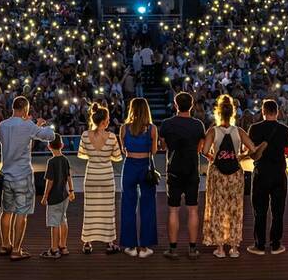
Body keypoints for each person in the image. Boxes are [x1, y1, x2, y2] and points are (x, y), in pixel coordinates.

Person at [0, 95, 55, 261]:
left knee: (6, 212)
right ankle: (16, 250)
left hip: (6, 174)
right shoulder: (28, 125)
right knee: (21, 213)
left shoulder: (3, 125)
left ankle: (5, 245)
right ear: (25, 109)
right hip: (22, 174)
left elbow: (8, 142)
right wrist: (41, 125)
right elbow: (49, 136)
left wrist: (31, 126)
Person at [202, 94, 257, 258]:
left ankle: (219, 248)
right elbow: (253, 149)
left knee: (219, 208)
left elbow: (204, 151)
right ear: (233, 113)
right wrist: (239, 157)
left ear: (218, 113)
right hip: (235, 174)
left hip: (218, 172)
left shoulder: (213, 131)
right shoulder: (238, 131)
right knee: (235, 208)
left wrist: (214, 157)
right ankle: (234, 248)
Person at [158, 92, 206, 258]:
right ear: (191, 105)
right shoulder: (198, 125)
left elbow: (163, 146)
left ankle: (173, 249)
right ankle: (192, 248)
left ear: (175, 105)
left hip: (174, 169)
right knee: (193, 209)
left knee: (173, 210)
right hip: (192, 169)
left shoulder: (166, 124)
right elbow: (201, 147)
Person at [246, 98, 288, 255]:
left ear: (263, 111)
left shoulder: (254, 128)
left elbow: (251, 152)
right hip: (279, 173)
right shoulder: (285, 129)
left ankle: (259, 245)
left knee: (260, 211)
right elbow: (287, 152)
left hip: (261, 172)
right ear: (277, 112)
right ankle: (276, 244)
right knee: (278, 211)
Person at [78, 102, 123, 254]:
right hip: (106, 176)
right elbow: (117, 157)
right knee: (107, 211)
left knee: (90, 210)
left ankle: (87, 242)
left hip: (91, 175)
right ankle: (109, 242)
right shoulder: (111, 137)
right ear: (104, 121)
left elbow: (82, 154)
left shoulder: (85, 135)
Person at [118, 97, 159, 258]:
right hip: (145, 166)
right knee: (148, 205)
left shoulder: (124, 128)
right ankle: (145, 246)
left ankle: (130, 245)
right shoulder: (152, 128)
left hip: (129, 166)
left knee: (128, 205)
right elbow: (154, 151)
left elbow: (123, 150)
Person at [40, 135, 75, 259]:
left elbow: (50, 181)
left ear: (49, 146)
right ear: (62, 145)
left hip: (54, 198)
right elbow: (69, 176)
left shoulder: (51, 162)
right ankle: (63, 246)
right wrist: (71, 190)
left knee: (54, 223)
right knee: (63, 220)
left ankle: (54, 249)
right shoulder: (65, 160)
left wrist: (45, 196)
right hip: (64, 195)